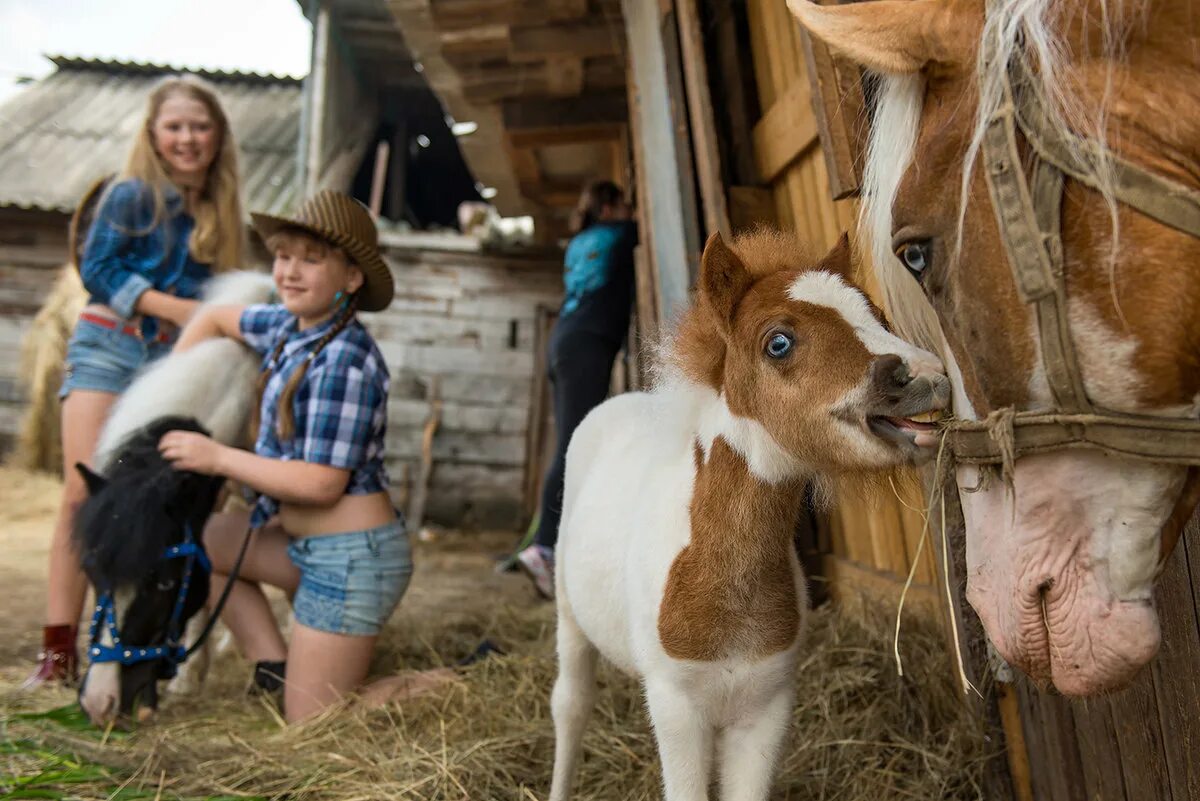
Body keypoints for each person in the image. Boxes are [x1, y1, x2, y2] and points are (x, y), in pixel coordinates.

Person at [160, 190, 450, 723]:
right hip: (300, 545)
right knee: (197, 542)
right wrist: (169, 409)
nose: (289, 272)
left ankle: (454, 681)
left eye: (310, 260)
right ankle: (272, 663)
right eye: (283, 256)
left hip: (349, 560)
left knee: (313, 721)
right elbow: (215, 319)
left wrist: (218, 457)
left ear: (352, 277)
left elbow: (321, 485)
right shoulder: (290, 326)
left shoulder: (345, 359)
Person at [25, 76, 244, 688]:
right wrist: (176, 311)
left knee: (170, 506)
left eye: (199, 126)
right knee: (85, 494)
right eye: (173, 127)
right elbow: (96, 267)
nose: (187, 138)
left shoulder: (225, 213)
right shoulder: (130, 196)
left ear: (218, 135)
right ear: (153, 134)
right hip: (111, 347)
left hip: (173, 363)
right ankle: (58, 651)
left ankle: (161, 643)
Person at [516, 180, 637, 598]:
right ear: (607, 208)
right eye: (624, 204)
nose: (630, 211)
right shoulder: (621, 233)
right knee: (574, 446)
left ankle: (550, 544)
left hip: (564, 339)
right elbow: (647, 223)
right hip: (586, 344)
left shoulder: (579, 241)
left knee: (570, 444)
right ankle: (545, 547)